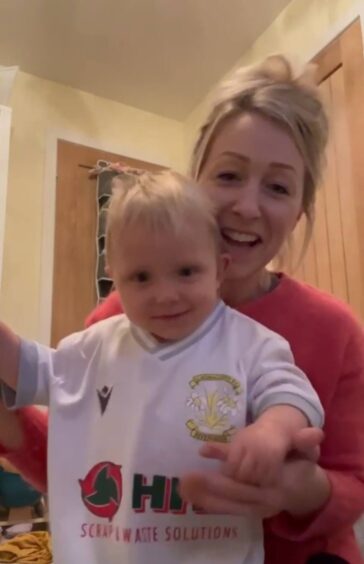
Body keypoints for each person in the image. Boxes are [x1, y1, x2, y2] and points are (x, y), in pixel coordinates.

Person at [0, 54, 363, 563]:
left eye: (278, 186)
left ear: (301, 206)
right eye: (229, 175)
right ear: (195, 182)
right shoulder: (114, 323)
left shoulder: (327, 332)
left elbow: (353, 484)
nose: (247, 206)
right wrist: (10, 425)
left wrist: (301, 487)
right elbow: (85, 456)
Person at [0, 169, 324, 563]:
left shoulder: (251, 344)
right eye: (141, 277)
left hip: (211, 551)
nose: (165, 295)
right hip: (104, 550)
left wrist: (273, 429)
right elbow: (32, 370)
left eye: (186, 272)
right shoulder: (96, 346)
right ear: (113, 278)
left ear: (220, 270)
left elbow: (293, 395)